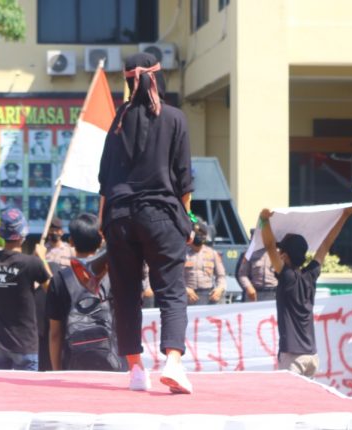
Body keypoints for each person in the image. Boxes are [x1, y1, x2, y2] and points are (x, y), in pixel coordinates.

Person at [98, 53, 194, 393]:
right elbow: (184, 180)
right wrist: (186, 221)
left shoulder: (118, 120)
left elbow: (104, 180)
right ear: (157, 78)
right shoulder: (174, 118)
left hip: (119, 217)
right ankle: (173, 362)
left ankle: (136, 369)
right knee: (171, 290)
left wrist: (103, 223)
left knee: (125, 295)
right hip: (161, 215)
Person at [259, 206, 352, 378]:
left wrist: (264, 220)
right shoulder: (310, 275)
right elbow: (326, 244)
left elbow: (269, 246)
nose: (278, 254)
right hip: (311, 355)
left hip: (292, 356)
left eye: (281, 252)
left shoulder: (287, 277)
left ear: (285, 256)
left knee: (289, 395)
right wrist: (345, 215)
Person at [0, 165, 52, 370]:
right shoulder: (31, 263)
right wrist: (43, 259)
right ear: (24, 233)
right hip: (26, 345)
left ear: (1, 233)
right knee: (26, 391)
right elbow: (54, 292)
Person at [47, 213, 122, 371]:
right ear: (100, 241)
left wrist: (57, 371)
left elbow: (55, 333)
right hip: (113, 362)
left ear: (71, 242)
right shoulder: (115, 274)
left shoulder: (60, 279)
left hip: (73, 365)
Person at [184, 221, 227, 305]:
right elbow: (175, 278)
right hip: (188, 296)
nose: (199, 236)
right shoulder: (182, 254)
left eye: (202, 234)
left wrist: (220, 288)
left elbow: (221, 276)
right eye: (197, 233)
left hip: (208, 297)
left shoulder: (212, 253)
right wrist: (185, 289)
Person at [237, 229, 278, 302]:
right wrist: (248, 287)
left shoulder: (278, 252)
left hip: (274, 293)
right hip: (255, 293)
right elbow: (242, 274)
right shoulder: (249, 253)